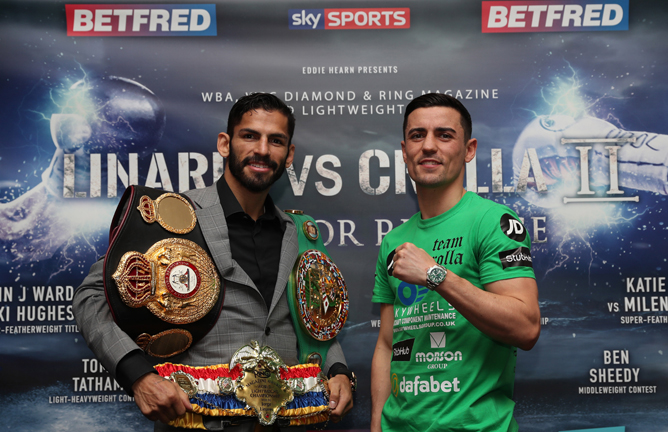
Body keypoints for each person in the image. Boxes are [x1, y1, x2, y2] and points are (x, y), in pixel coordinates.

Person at [73, 93, 354, 431]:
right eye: (250, 136)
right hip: (198, 421)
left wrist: (338, 371)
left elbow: (316, 322)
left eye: (276, 140)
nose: (262, 150)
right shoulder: (172, 215)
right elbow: (91, 297)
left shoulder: (300, 232)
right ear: (225, 143)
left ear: (289, 154)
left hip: (289, 422)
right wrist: (138, 376)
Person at [370, 93, 540, 432]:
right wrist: (377, 422)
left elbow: (526, 327)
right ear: (405, 151)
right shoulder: (394, 240)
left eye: (444, 135)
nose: (429, 146)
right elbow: (388, 343)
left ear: (469, 150)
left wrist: (434, 274)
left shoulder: (493, 222)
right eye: (418, 135)